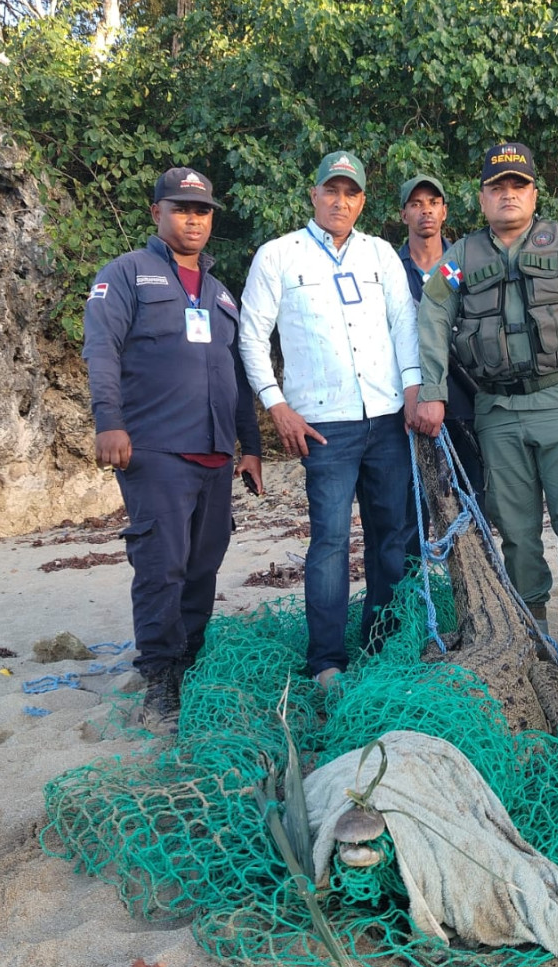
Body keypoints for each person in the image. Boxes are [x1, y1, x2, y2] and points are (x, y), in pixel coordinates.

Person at [413, 142, 558, 684]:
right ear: (482, 198)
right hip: (498, 409)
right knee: (515, 527)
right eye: (497, 187)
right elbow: (434, 316)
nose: (508, 194)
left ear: (534, 193)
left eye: (518, 185)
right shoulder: (460, 258)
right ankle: (533, 628)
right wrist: (433, 390)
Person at [82, 167, 263, 729]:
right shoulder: (125, 274)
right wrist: (109, 423)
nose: (193, 219)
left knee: (204, 565)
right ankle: (160, 679)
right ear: (157, 212)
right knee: (162, 566)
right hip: (155, 448)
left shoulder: (220, 292)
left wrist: (250, 446)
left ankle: (190, 662)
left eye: (202, 210)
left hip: (215, 452)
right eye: (181, 208)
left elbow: (236, 374)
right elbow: (102, 349)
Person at [238, 150, 421, 690]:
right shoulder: (279, 255)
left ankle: (382, 642)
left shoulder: (380, 253)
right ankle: (327, 663)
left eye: (351, 193)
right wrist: (276, 405)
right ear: (314, 194)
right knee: (330, 542)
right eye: (332, 191)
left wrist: (413, 392)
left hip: (387, 418)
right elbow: (251, 336)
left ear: (362, 201)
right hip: (323, 426)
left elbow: (404, 325)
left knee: (392, 538)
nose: (341, 202)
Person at [398, 173, 484, 551]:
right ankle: (416, 581)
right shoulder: (389, 267)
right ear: (404, 214)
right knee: (411, 506)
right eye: (416, 204)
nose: (426, 211)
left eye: (433, 203)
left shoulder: (464, 262)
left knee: (472, 498)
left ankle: (476, 575)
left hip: (464, 397)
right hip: (410, 402)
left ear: (445, 211)